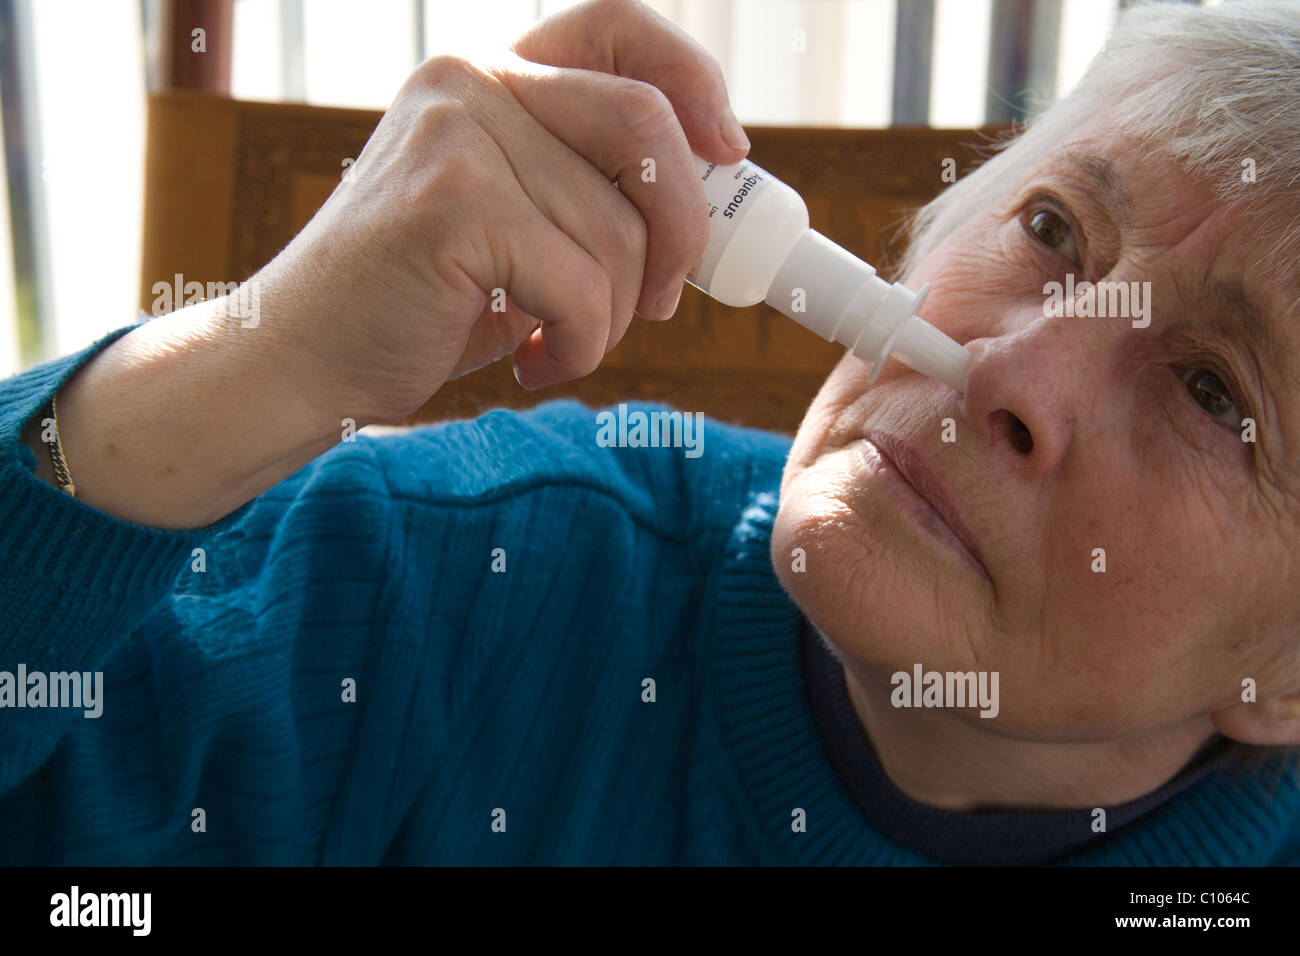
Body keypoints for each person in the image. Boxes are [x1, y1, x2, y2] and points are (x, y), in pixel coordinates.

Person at [1, 0, 1297, 865]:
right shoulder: (437, 585)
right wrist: (255, 364)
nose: (1011, 374)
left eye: (1215, 395)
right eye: (1055, 228)